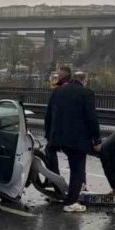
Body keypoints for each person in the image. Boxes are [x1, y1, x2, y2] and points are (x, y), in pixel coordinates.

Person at [44, 70, 100, 213]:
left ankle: (58, 192)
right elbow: (91, 118)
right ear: (85, 80)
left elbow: (48, 114)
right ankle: (72, 201)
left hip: (57, 137)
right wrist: (97, 139)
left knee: (60, 162)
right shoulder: (86, 93)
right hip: (77, 139)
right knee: (77, 169)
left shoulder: (58, 92)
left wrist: (49, 134)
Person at [44, 66, 73, 173]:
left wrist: (48, 129)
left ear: (66, 74)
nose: (58, 75)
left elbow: (52, 111)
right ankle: (80, 181)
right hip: (64, 129)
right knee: (75, 157)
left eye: (60, 74)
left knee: (50, 150)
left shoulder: (59, 90)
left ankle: (55, 176)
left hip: (59, 130)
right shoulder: (66, 88)